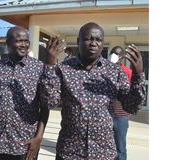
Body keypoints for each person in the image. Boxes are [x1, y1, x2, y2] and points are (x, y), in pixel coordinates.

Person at [42, 22, 146, 159]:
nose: (93, 43)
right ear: (79, 41)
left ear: (102, 43)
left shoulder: (114, 72)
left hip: (103, 153)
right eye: (88, 39)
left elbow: (132, 106)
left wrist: (138, 75)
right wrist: (49, 64)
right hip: (70, 152)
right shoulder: (63, 69)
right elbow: (50, 102)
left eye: (98, 40)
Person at [0, 26, 50, 160]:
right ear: (8, 43)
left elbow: (45, 106)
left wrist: (38, 138)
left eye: (26, 41)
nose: (24, 45)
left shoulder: (39, 68)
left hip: (24, 144)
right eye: (19, 41)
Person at [108, 46, 133, 160]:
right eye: (112, 53)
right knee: (106, 145)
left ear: (122, 57)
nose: (114, 55)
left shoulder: (127, 71)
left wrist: (129, 110)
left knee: (120, 147)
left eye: (117, 54)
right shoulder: (105, 69)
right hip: (105, 114)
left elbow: (132, 92)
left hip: (121, 116)